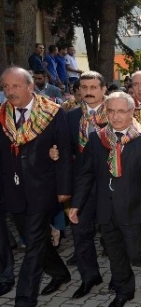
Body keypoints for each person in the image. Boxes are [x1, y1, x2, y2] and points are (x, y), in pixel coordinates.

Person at [69, 92, 141, 307]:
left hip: (135, 206)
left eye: (121, 111)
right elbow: (86, 174)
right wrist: (76, 204)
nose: (116, 116)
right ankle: (124, 291)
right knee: (115, 253)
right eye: (111, 111)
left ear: (132, 112)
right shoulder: (97, 138)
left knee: (137, 252)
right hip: (106, 207)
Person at [0, 67, 73, 306]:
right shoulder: (2, 115)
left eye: (16, 86)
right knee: (35, 239)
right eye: (6, 87)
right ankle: (60, 273)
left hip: (43, 189)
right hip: (13, 190)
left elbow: (63, 151)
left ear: (30, 87)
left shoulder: (52, 113)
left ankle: (24, 298)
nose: (10, 92)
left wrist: (64, 189)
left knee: (32, 243)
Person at [66, 71, 108, 299]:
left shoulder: (115, 113)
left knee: (113, 234)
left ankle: (121, 279)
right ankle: (89, 277)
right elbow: (66, 150)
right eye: (84, 87)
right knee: (80, 232)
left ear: (103, 90)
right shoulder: (71, 117)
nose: (89, 91)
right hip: (81, 186)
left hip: (110, 184)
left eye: (93, 87)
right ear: (79, 90)